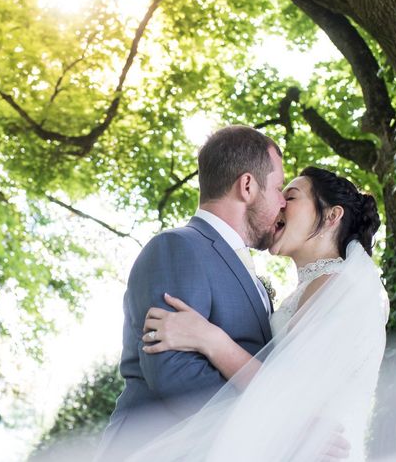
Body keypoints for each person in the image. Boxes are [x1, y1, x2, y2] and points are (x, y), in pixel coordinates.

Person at [129, 166, 389, 461]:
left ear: (332, 216)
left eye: (290, 196)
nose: (279, 203)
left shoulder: (336, 286)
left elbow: (285, 391)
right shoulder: (316, 287)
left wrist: (210, 339)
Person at [95, 125, 288, 461]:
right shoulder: (176, 247)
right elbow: (172, 373)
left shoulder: (254, 278)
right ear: (247, 186)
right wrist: (277, 423)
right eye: (279, 188)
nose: (283, 202)